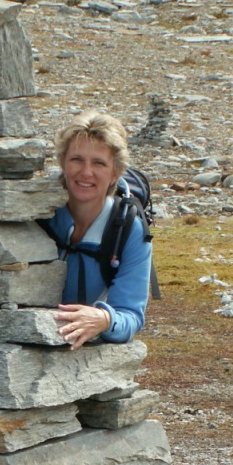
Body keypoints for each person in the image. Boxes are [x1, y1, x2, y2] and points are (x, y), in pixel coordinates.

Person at [46, 110, 152, 350]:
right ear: (63, 163)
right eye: (77, 159)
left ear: (115, 173)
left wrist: (104, 319)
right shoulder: (37, 214)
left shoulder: (128, 229)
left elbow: (131, 316)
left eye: (99, 163)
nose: (86, 172)